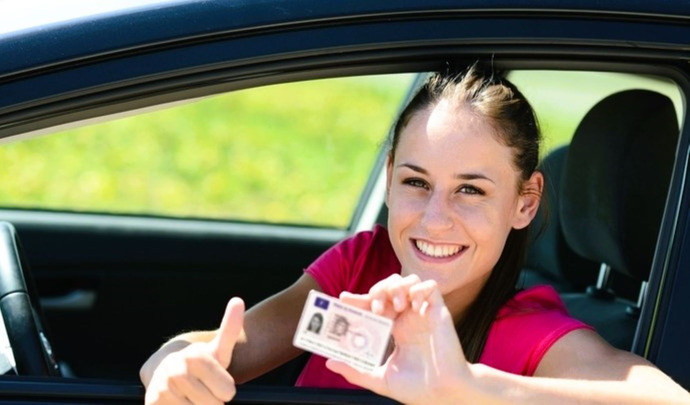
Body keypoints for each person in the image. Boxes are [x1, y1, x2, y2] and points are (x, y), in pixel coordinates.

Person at [140, 64, 690, 404]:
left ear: (525, 202)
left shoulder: (532, 333)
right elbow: (225, 350)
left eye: (470, 190)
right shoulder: (361, 267)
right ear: (389, 178)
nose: (433, 219)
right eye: (416, 182)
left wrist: (467, 389)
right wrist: (172, 364)